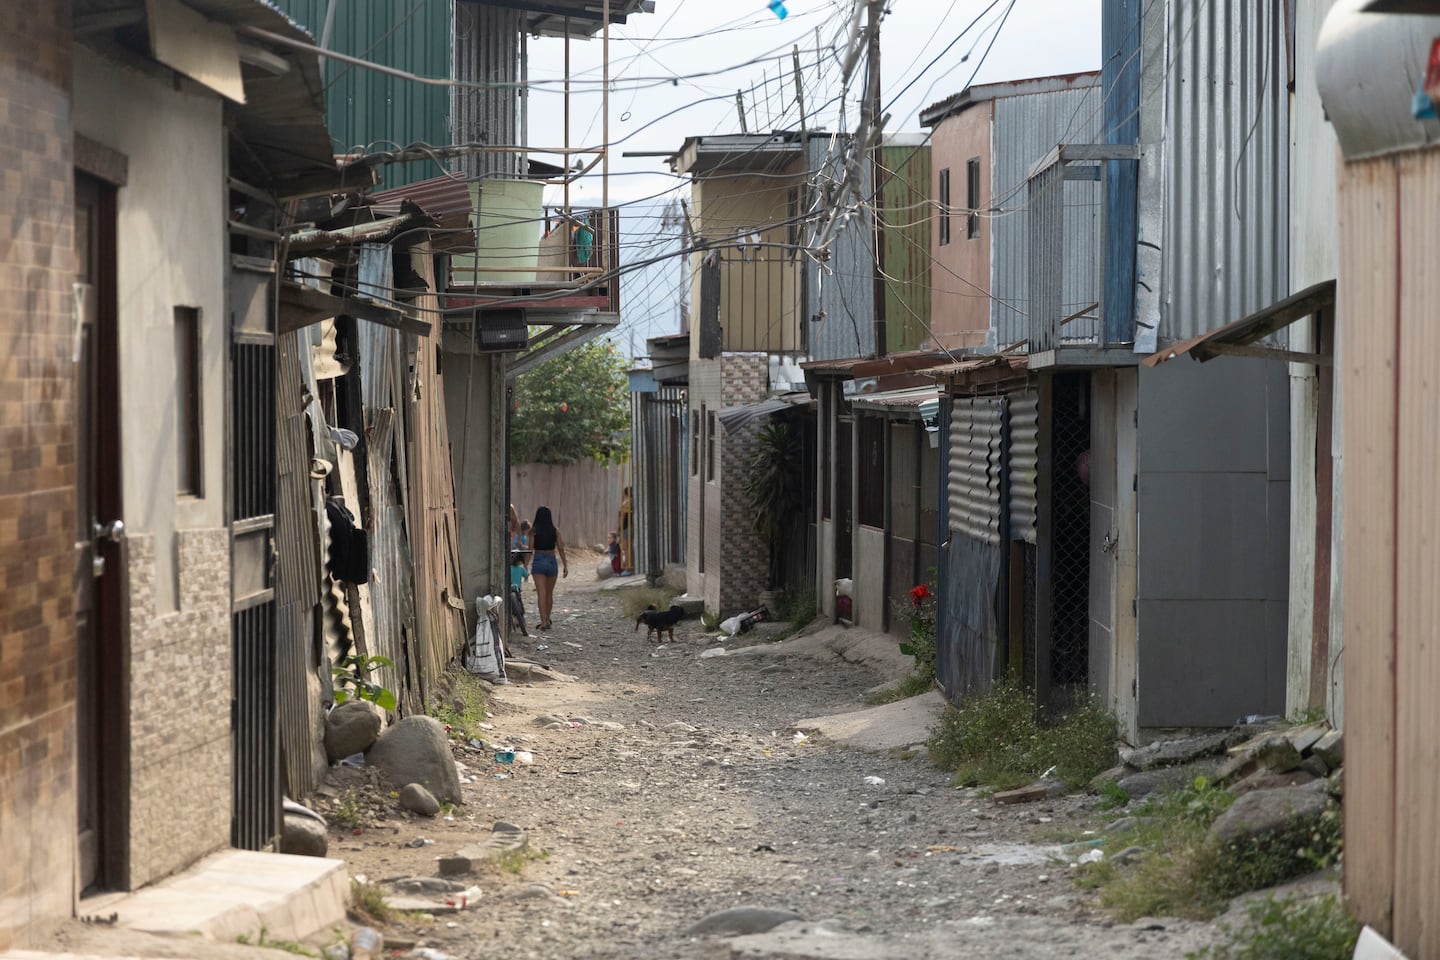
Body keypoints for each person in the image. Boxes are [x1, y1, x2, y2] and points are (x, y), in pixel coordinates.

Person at [529, 506, 568, 630]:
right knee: (549, 593)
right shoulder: (555, 530)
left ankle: (543, 622)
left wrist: (525, 564)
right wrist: (565, 565)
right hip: (552, 560)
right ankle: (547, 618)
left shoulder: (533, 531)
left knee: (541, 593)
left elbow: (530, 549)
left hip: (539, 560)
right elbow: (561, 548)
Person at [617, 485, 634, 576]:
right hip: (630, 527)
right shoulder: (632, 502)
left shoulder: (626, 503)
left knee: (627, 548)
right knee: (629, 547)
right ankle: (629, 567)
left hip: (626, 528)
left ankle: (628, 568)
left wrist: (618, 529)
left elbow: (622, 518)